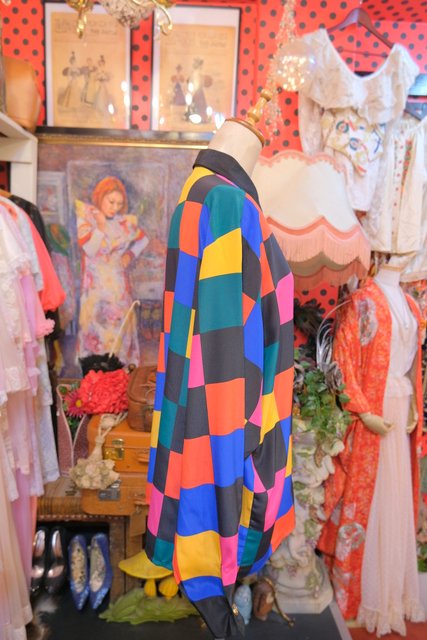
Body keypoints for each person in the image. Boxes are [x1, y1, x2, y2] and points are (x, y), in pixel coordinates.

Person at [145, 107, 295, 639]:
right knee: (221, 538)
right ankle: (220, 567)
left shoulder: (196, 192)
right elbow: (229, 353)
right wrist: (241, 454)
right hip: (227, 416)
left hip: (201, 404)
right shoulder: (229, 203)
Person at [318, 260, 426, 635]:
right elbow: (343, 358)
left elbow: (412, 363)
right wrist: (362, 411)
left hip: (400, 405)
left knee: (395, 499)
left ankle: (392, 591)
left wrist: (414, 406)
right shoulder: (362, 300)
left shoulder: (410, 303)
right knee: (369, 496)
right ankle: (358, 594)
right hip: (373, 409)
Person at [76, 176, 148, 364]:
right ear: (100, 197)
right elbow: (90, 250)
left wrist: (129, 255)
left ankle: (119, 373)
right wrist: (100, 226)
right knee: (96, 332)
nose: (115, 207)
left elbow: (143, 239)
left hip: (118, 288)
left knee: (119, 332)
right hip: (95, 289)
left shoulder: (123, 222)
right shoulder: (87, 219)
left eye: (119, 203)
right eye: (111, 201)